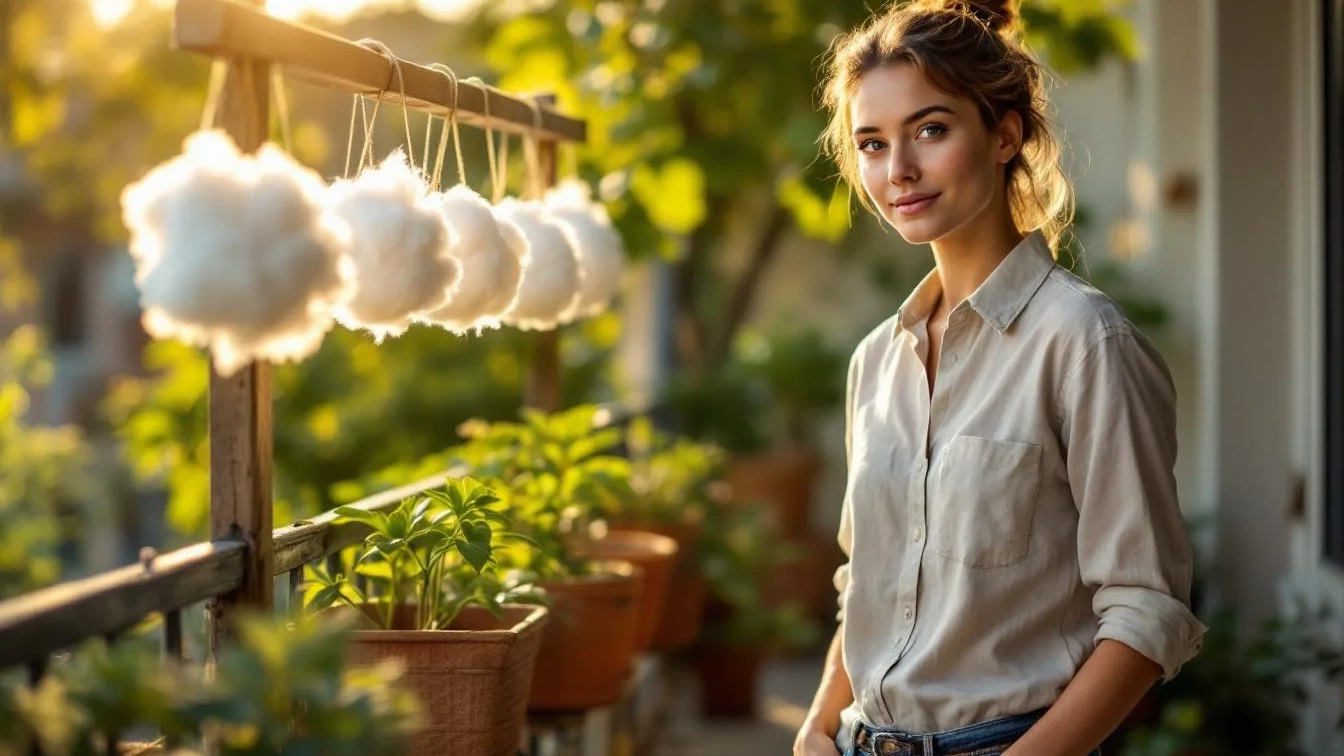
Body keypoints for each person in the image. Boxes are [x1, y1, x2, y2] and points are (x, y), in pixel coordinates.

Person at [795, 1, 1206, 755]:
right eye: (872, 144)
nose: (899, 171)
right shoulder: (876, 362)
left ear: (1004, 134)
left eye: (931, 129)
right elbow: (869, 583)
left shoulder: (1084, 342)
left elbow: (1148, 611)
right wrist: (817, 726)